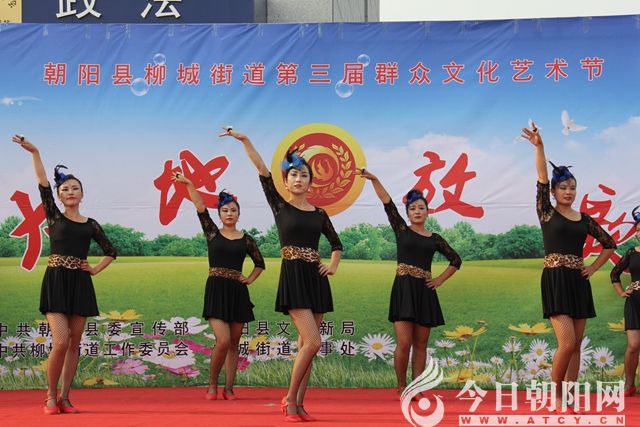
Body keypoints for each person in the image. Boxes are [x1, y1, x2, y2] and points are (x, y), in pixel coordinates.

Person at [220, 128, 342, 422]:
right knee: (313, 342)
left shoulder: (319, 214)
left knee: (306, 347)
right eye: (293, 175)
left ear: (311, 182)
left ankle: (299, 404)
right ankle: (288, 399)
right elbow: (262, 171)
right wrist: (245, 140)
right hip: (294, 278)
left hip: (317, 280)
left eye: (304, 175)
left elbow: (337, 244)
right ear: (286, 181)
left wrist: (333, 264)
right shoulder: (280, 205)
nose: (298, 179)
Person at [11, 134, 117, 415]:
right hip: (56, 281)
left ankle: (65, 397)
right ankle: (49, 396)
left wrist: (94, 269)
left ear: (82, 194)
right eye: (65, 189)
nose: (70, 192)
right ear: (59, 196)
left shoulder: (91, 224)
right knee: (60, 341)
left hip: (80, 284)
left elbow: (111, 251)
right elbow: (43, 182)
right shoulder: (54, 216)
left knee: (74, 343)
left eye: (75, 188)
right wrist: (35, 152)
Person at [521, 125, 615, 411]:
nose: (568, 192)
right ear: (553, 191)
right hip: (555, 279)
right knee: (567, 342)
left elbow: (609, 244)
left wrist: (593, 268)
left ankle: (571, 396)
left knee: (577, 343)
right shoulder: (546, 212)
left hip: (578, 281)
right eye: (563, 187)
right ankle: (557, 394)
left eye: (572, 187)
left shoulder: (584, 219)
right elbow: (541, 176)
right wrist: (539, 147)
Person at [358, 168, 461, 398]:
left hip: (424, 292)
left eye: (421, 208)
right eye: (412, 208)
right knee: (404, 343)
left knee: (421, 345)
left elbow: (456, 260)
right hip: (404, 291)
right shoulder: (401, 230)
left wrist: (439, 280)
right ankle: (402, 385)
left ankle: (417, 387)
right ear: (407, 213)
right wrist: (375, 179)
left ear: (427, 212)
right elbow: (387, 203)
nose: (417, 211)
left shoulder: (435, 239)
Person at [172, 173, 265, 400]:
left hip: (237, 293)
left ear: (239, 214)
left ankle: (229, 388)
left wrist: (249, 279)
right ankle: (212, 384)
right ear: (220, 214)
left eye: (233, 210)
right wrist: (189, 184)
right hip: (216, 290)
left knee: (234, 343)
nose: (229, 213)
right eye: (225, 210)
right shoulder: (212, 233)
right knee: (222, 341)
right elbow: (200, 206)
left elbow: (259, 264)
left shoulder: (247, 239)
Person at [609, 206, 640, 397]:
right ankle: (629, 384)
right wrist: (621, 292)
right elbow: (615, 274)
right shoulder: (631, 252)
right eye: (638, 230)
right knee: (633, 345)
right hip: (634, 303)